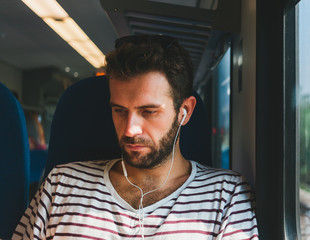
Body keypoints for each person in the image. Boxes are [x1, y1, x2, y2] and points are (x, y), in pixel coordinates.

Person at [13, 35, 259, 239]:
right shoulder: (61, 184)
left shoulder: (225, 194)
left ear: (184, 111)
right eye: (119, 110)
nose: (130, 130)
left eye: (148, 112)